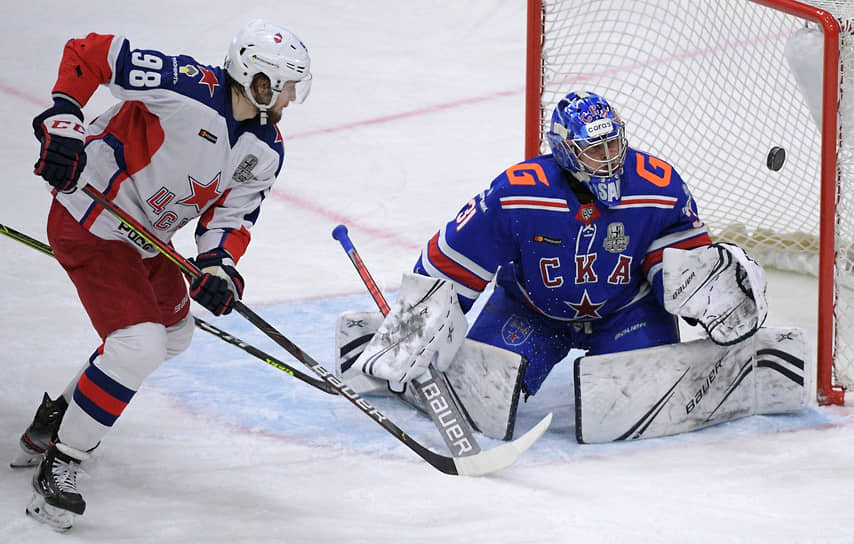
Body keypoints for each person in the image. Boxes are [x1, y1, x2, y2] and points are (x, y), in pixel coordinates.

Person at [14, 19, 312, 531]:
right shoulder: (188, 87)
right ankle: (60, 465)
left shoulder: (265, 150)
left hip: (148, 240)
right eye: (285, 85)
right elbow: (92, 53)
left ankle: (57, 419)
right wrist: (64, 118)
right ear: (258, 81)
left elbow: (231, 216)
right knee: (138, 345)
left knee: (174, 336)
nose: (290, 97)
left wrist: (219, 265)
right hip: (93, 219)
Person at [344, 90, 771, 439]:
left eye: (613, 142)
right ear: (565, 151)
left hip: (627, 311)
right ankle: (395, 356)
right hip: (532, 311)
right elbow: (454, 257)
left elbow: (678, 255)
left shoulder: (657, 185)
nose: (609, 157)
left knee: (632, 408)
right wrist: (412, 326)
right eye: (593, 149)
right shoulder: (519, 192)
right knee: (480, 398)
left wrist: (706, 283)